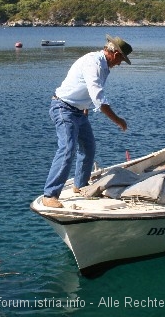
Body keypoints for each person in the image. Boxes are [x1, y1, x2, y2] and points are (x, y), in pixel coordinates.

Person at [42, 34, 133, 208]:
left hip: (78, 111)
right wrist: (118, 120)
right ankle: (50, 194)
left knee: (88, 146)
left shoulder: (104, 65)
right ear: (114, 54)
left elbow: (86, 89)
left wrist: (85, 107)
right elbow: (98, 97)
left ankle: (80, 184)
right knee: (67, 148)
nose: (120, 63)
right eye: (121, 59)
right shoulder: (94, 63)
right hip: (63, 108)